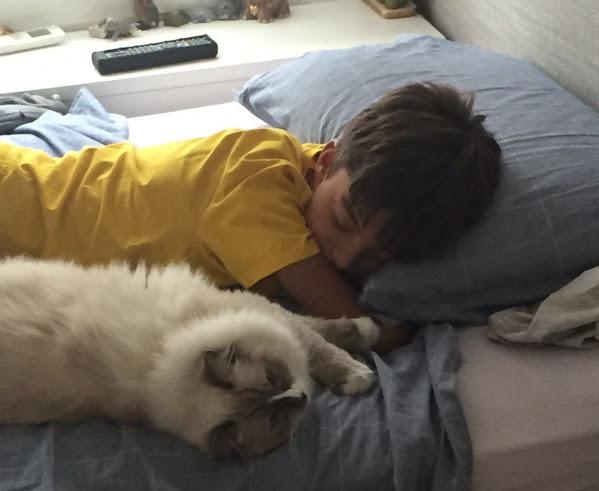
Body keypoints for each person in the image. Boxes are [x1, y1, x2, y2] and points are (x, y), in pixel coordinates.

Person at [0, 82, 501, 352]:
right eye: (344, 221)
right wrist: (408, 329)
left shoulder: (316, 183)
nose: (346, 258)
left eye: (379, 256)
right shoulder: (257, 182)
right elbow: (359, 329)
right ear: (326, 160)